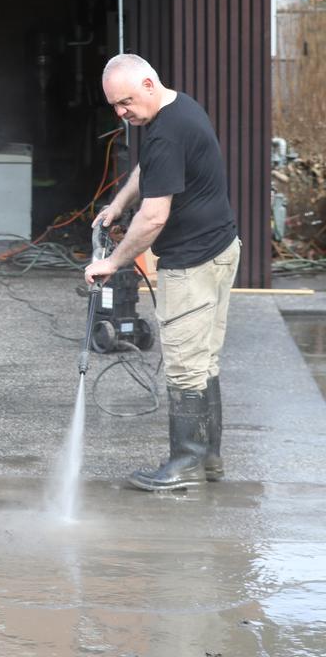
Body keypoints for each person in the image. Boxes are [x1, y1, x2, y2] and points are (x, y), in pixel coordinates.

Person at [85, 53, 240, 491]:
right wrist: (118, 204)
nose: (121, 112)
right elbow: (148, 169)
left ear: (149, 85)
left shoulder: (168, 131)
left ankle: (186, 461)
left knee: (186, 367)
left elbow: (154, 218)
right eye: (115, 105)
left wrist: (111, 263)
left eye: (126, 101)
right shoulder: (177, 108)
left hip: (193, 263)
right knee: (204, 361)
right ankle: (208, 459)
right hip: (221, 248)